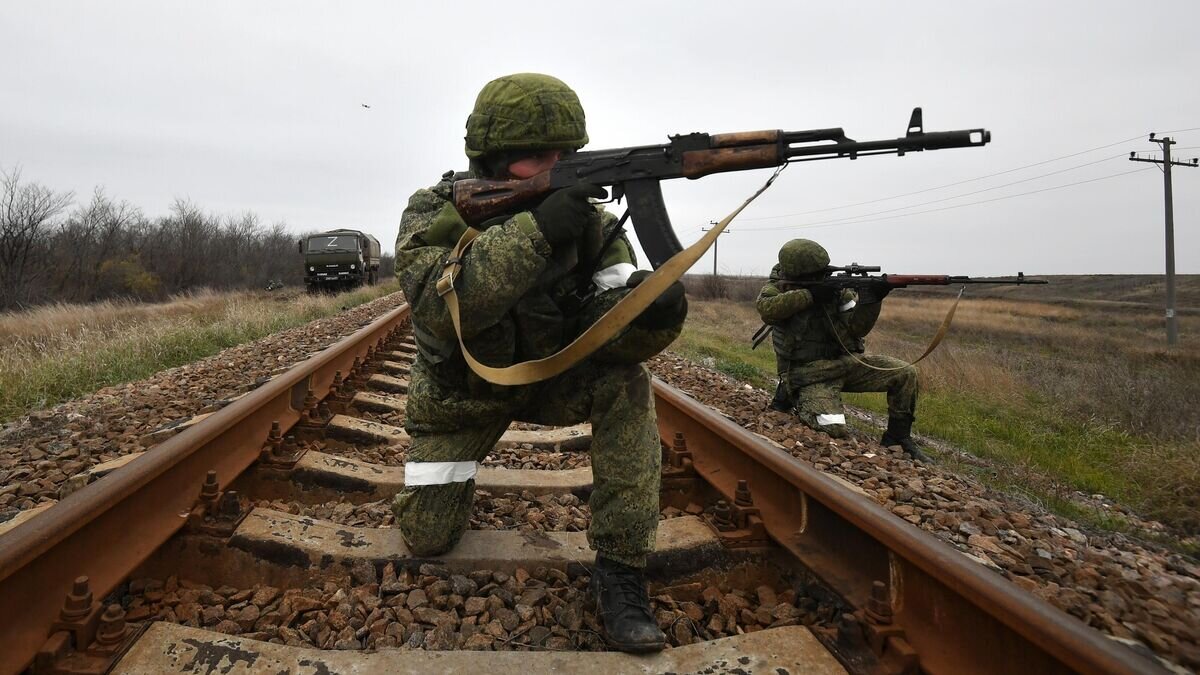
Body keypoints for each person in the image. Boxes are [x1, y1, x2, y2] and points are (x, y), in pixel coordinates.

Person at [390, 73, 688, 653]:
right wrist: (538, 232)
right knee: (426, 537)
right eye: (536, 158)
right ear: (493, 160)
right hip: (460, 398)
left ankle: (622, 570)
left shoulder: (594, 225)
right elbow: (436, 304)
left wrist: (652, 306)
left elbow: (612, 316)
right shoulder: (436, 212)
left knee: (625, 381)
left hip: (550, 381)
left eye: (564, 156)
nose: (554, 167)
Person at [756, 239, 928, 462]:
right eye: (816, 272)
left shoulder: (838, 292)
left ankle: (897, 437)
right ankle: (790, 392)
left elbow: (858, 329)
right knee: (833, 427)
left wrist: (872, 300)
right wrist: (812, 296)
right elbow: (768, 310)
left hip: (847, 364)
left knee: (904, 373)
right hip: (808, 374)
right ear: (798, 271)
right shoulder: (775, 288)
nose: (823, 275)